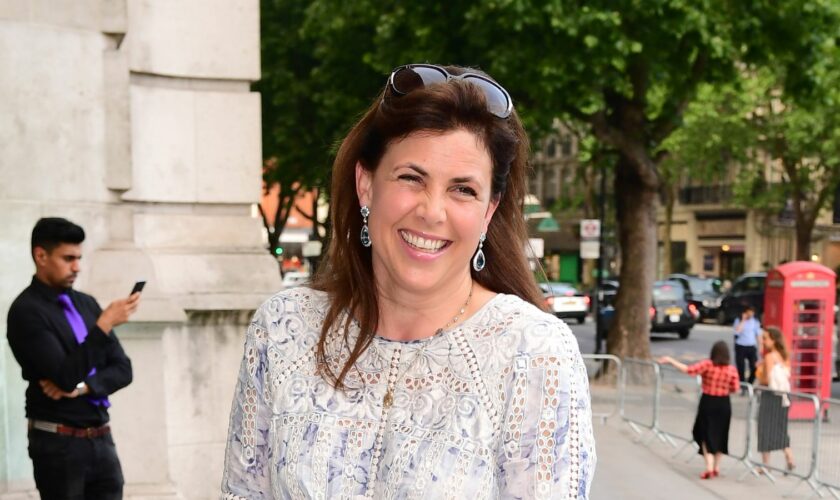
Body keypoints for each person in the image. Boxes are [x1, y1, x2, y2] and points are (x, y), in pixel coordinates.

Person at [221, 64, 596, 498]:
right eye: (411, 178)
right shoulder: (284, 329)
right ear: (366, 184)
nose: (432, 211)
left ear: (488, 212)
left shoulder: (533, 354)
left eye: (463, 190)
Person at [6, 217, 139, 499]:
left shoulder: (86, 303)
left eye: (78, 258)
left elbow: (123, 369)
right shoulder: (25, 311)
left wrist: (82, 387)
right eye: (68, 258)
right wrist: (104, 325)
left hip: (101, 438)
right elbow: (64, 375)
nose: (76, 267)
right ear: (40, 256)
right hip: (58, 443)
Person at [658, 341, 739, 479]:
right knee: (721, 434)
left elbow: (689, 370)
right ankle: (716, 467)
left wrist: (671, 360)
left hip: (708, 401)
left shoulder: (708, 364)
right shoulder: (731, 369)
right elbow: (735, 388)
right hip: (724, 403)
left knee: (704, 432)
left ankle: (709, 465)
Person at [755, 326, 795, 472]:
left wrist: (760, 371)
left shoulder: (769, 357)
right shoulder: (784, 356)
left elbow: (767, 379)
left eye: (765, 338)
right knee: (780, 427)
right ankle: (789, 456)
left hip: (770, 396)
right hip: (784, 396)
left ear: (773, 339)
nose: (763, 341)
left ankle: (766, 465)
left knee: (764, 428)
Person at [733, 306, 761, 385]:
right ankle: (742, 384)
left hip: (751, 346)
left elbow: (758, 334)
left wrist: (760, 346)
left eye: (752, 312)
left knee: (754, 367)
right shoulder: (738, 320)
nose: (750, 314)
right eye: (749, 312)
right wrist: (743, 320)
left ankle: (749, 383)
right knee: (741, 367)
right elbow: (737, 332)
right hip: (740, 346)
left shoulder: (755, 321)